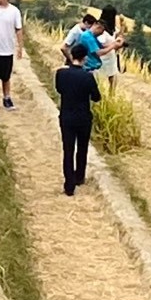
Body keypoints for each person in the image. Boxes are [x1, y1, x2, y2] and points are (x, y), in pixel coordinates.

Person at [55, 40, 100, 195]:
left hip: (66, 115)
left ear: (72, 55)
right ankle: (79, 176)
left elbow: (59, 90)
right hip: (83, 117)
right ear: (85, 58)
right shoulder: (87, 77)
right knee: (82, 148)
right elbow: (96, 97)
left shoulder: (61, 74)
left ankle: (69, 185)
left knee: (68, 150)